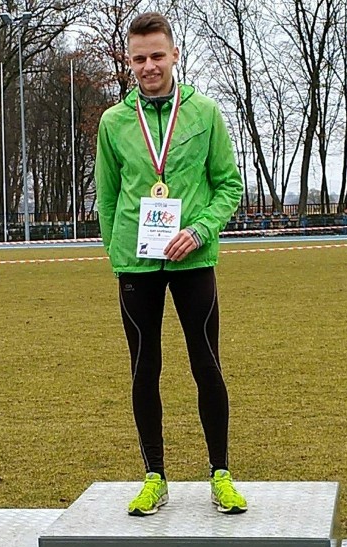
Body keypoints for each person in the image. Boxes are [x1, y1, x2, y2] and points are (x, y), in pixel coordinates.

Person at [95, 12, 246, 516]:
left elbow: (229, 186)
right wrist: (118, 254)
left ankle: (220, 473)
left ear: (174, 55)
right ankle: (154, 475)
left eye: (157, 55)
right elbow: (108, 197)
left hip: (192, 260)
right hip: (137, 267)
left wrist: (199, 230)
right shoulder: (114, 122)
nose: (148, 66)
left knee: (207, 364)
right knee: (144, 369)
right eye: (138, 58)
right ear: (129, 62)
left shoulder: (204, 114)